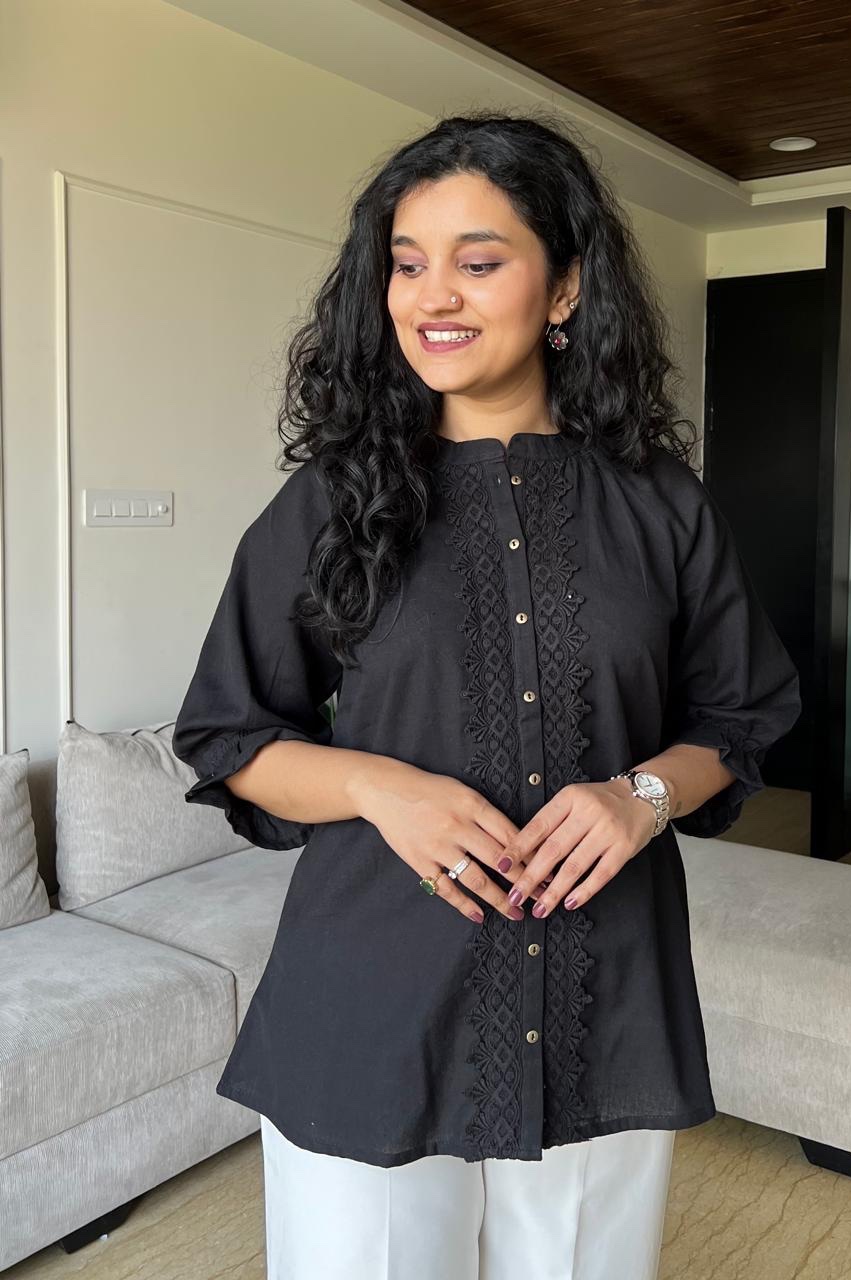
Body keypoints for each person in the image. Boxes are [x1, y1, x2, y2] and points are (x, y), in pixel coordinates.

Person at [172, 109, 802, 1280]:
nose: (434, 296)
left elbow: (741, 713)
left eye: (478, 260)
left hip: (603, 993)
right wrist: (378, 784)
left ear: (565, 287)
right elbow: (228, 733)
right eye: (407, 263)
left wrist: (641, 795)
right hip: (370, 996)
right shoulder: (327, 503)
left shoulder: (661, 503)